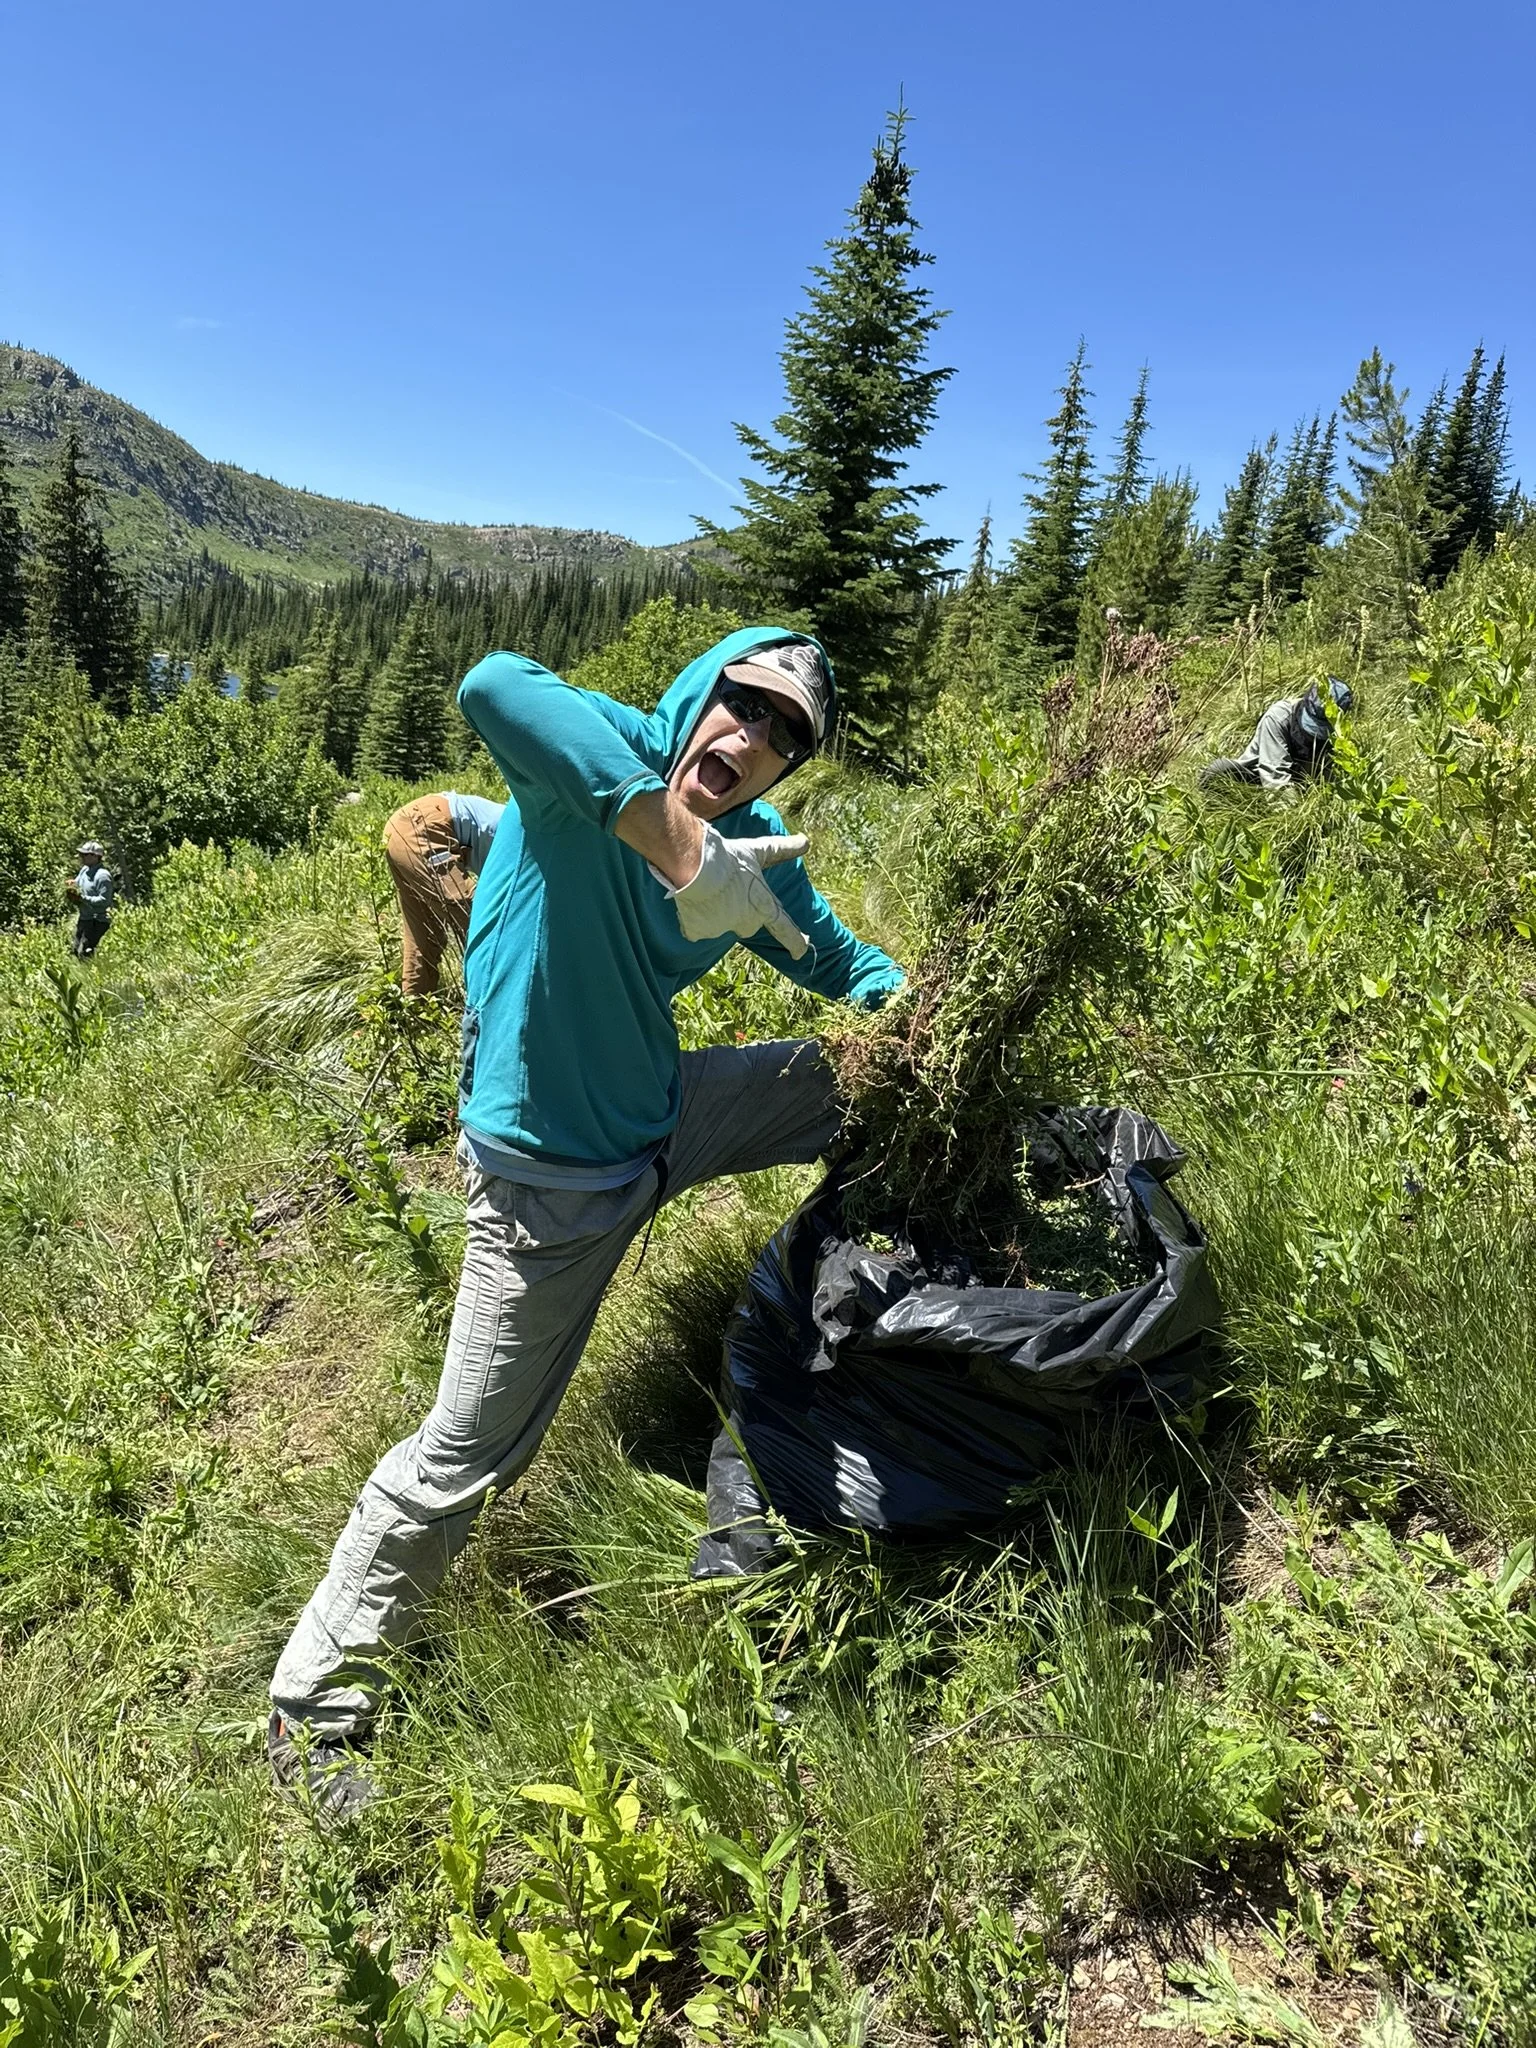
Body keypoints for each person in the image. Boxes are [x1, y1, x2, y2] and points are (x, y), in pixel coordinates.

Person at [268, 628, 903, 1813]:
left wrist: (917, 1012)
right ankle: (315, 1705)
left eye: (783, 737)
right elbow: (491, 683)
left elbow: (843, 962)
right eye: (745, 705)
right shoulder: (596, 757)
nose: (753, 741)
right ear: (701, 693)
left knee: (863, 1077)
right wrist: (668, 846)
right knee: (469, 1457)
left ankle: (896, 1291)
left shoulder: (748, 853)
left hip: (667, 1115)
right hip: (547, 1190)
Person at [382, 791, 506, 996]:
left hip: (407, 825)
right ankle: (496, 1005)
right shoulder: (530, 839)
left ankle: (413, 1010)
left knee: (423, 935)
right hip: (425, 826)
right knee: (479, 918)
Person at [1201, 675, 1355, 791]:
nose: (1315, 735)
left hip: (1309, 783)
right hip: (1261, 777)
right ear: (1304, 705)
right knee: (1217, 771)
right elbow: (1274, 776)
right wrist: (1294, 823)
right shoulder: (1278, 717)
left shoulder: (1342, 731)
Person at [67, 842, 114, 957]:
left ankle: (89, 973)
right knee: (75, 949)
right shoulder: (84, 870)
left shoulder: (102, 876)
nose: (82, 857)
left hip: (98, 920)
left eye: (85, 854)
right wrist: (71, 886)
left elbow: (104, 901)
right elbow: (78, 883)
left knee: (85, 952)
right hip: (84, 918)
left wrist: (82, 898)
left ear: (96, 856)